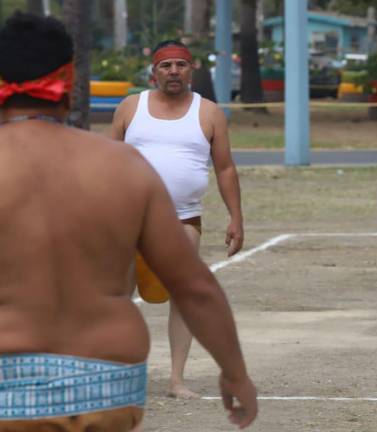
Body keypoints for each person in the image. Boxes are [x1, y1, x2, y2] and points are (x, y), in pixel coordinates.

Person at [0, 12, 257, 431]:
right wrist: (235, 373)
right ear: (69, 78)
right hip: (108, 386)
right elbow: (193, 285)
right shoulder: (123, 166)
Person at [111, 40, 244, 399]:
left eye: (180, 65)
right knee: (119, 297)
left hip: (184, 219)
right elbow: (108, 163)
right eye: (166, 65)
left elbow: (226, 169)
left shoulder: (210, 112)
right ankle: (121, 375)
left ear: (191, 70)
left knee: (184, 296)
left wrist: (236, 218)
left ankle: (176, 380)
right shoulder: (130, 107)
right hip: (129, 219)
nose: (173, 71)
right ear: (154, 71)